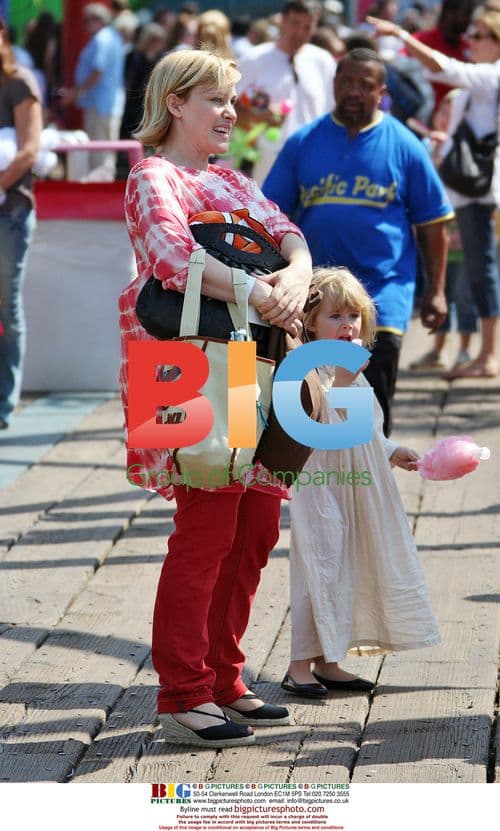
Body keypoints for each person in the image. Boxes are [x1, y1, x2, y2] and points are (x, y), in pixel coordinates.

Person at [118, 49, 313, 747]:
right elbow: (172, 257)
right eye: (217, 99)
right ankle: (183, 694)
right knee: (206, 527)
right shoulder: (151, 174)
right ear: (175, 102)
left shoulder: (228, 177)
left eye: (232, 100)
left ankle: (224, 676)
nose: (232, 112)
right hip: (193, 362)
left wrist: (297, 271)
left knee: (255, 526)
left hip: (255, 361)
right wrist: (265, 291)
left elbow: (286, 229)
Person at [263, 48, 453, 436]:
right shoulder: (304, 142)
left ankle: (371, 480)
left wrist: (437, 291)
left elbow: (434, 225)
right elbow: (271, 216)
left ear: (381, 91)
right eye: (347, 81)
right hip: (316, 301)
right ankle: (327, 484)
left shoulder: (405, 144)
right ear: (334, 84)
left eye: (365, 85)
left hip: (383, 296)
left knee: (370, 405)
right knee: (316, 404)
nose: (354, 91)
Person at [282, 268, 440, 698]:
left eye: (354, 315)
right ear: (311, 321)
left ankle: (330, 659)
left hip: (355, 486)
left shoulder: (348, 365)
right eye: (335, 316)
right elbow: (324, 429)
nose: (347, 324)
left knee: (346, 563)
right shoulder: (305, 370)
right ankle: (299, 663)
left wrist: (389, 450)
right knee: (319, 562)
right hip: (319, 485)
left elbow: (366, 427)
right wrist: (348, 384)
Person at [369, 8, 500, 378]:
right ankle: (479, 353)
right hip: (463, 190)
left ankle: (488, 355)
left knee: (482, 269)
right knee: (472, 271)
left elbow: (442, 66)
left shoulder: (491, 75)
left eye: (478, 37)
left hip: (478, 193)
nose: (470, 43)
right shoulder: (479, 83)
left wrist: (401, 35)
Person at [236, 0, 337, 184]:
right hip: (265, 160)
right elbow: (229, 107)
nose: (299, 33)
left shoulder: (323, 61)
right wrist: (257, 116)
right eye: (295, 24)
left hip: (312, 160)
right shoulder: (254, 59)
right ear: (282, 21)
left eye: (307, 27)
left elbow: (332, 113)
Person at [0, 17, 42, 430]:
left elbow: (30, 149)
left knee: (6, 306)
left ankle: (4, 404)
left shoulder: (19, 82)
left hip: (10, 211)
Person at [60, 3, 125, 176]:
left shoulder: (102, 38)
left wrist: (76, 92)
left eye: (87, 20)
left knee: (100, 152)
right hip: (103, 104)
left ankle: (102, 192)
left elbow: (97, 71)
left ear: (99, 20)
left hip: (101, 105)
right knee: (101, 151)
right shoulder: (109, 37)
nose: (84, 25)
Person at [409, 0, 474, 115]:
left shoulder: (470, 47)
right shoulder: (420, 42)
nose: (469, 19)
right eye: (466, 13)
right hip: (422, 116)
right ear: (449, 12)